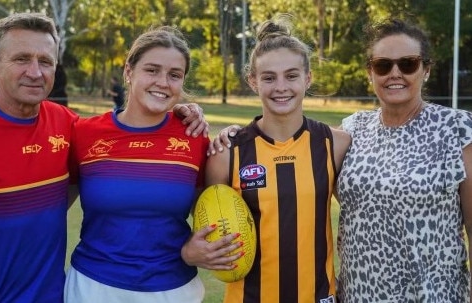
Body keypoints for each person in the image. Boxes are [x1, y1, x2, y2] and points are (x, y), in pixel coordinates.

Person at [0, 12, 209, 303]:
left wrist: (191, 114)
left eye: (46, 62)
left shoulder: (68, 126)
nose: (35, 72)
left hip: (54, 296)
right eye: (21, 59)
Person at [64, 26, 242, 303]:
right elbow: (45, 209)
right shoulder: (84, 132)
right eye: (152, 70)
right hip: (92, 287)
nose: (163, 82)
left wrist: (235, 135)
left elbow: (212, 213)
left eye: (174, 75)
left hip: (172, 290)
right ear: (128, 71)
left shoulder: (194, 137)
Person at [205, 15, 350, 303]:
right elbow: (206, 231)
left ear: (308, 78)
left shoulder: (336, 143)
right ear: (253, 81)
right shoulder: (227, 153)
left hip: (319, 297)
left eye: (292, 75)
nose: (280, 87)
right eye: (269, 77)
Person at [335, 18, 472, 302]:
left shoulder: (457, 130)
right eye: (383, 65)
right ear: (370, 73)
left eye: (408, 64)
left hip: (434, 296)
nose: (395, 73)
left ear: (426, 70)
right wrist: (238, 135)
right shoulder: (351, 130)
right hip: (359, 294)